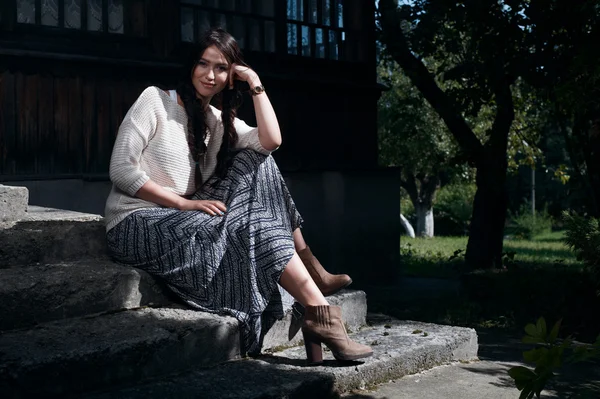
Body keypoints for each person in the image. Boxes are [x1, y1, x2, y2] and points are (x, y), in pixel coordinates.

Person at [104, 28, 372, 364]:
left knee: (258, 162)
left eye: (220, 68)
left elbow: (271, 140)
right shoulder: (155, 100)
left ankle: (314, 291)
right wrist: (186, 204)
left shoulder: (217, 120)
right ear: (192, 66)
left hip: (184, 215)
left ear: (230, 77)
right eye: (203, 64)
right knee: (251, 223)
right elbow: (122, 170)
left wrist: (255, 83)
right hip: (136, 221)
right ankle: (317, 301)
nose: (210, 74)